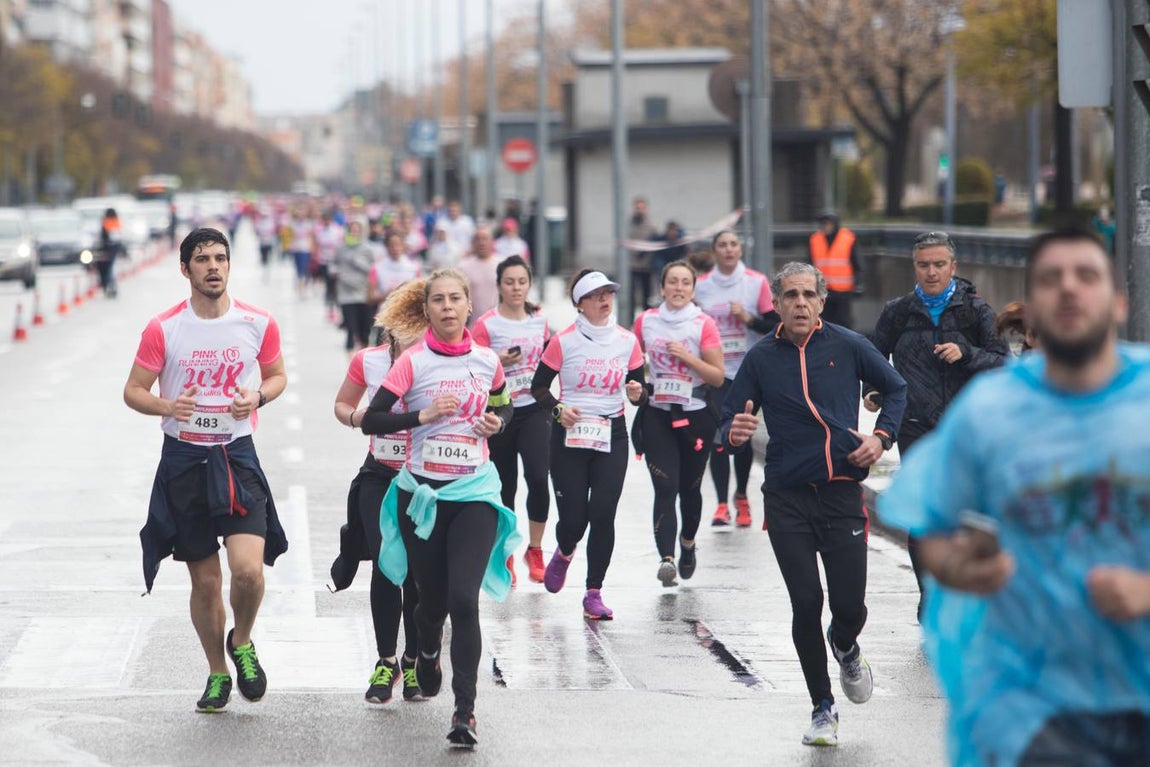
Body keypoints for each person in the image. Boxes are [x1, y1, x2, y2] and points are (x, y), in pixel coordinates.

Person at [880, 227, 1150, 767]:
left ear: (1118, 302)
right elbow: (930, 530)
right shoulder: (988, 413)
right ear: (1031, 308)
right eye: (1052, 279)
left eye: (1087, 275)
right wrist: (961, 568)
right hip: (1029, 699)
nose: (1069, 289)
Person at [720, 261, 906, 747]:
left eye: (808, 295)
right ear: (777, 305)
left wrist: (882, 437)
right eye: (790, 296)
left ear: (822, 301)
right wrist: (733, 433)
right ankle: (823, 708)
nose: (800, 303)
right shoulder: (761, 358)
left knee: (850, 607)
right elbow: (729, 417)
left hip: (843, 490)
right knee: (806, 601)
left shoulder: (848, 345)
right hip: (787, 496)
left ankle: (844, 644)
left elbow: (897, 388)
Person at [123, 227, 288, 713]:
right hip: (185, 461)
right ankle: (218, 671)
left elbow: (277, 375)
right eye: (202, 259)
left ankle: (243, 640)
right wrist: (166, 406)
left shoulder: (256, 323)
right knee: (206, 583)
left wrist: (257, 396)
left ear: (230, 265)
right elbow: (133, 390)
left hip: (236, 456)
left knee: (249, 572)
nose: (213, 266)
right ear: (185, 269)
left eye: (220, 257)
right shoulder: (164, 328)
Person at [361, 268, 520, 747]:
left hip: (474, 494)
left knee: (462, 601)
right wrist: (421, 415)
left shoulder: (488, 361)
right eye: (438, 301)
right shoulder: (411, 362)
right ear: (425, 310)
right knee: (430, 602)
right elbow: (372, 417)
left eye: (456, 299)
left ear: (469, 306)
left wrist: (498, 421)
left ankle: (464, 711)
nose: (448, 307)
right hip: (422, 496)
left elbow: (505, 405)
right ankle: (426, 649)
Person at [865, 231, 1007, 620]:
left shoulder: (975, 310)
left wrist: (966, 352)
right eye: (924, 265)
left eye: (939, 265)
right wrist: (874, 390)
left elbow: (1001, 359)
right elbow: (874, 357)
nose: (931, 272)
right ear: (915, 267)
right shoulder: (899, 311)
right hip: (914, 423)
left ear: (953, 267)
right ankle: (929, 593)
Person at [530, 270, 648, 620]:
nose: (605, 299)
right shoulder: (563, 342)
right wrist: (557, 410)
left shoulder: (627, 341)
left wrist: (637, 393)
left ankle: (593, 591)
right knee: (575, 520)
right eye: (596, 295)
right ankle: (565, 550)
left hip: (611, 433)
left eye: (609, 293)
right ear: (580, 303)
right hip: (570, 436)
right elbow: (538, 388)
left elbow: (639, 390)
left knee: (602, 514)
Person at [329, 284, 423, 705]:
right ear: (391, 326)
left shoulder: (440, 363)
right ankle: (385, 661)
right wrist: (356, 417)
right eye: (408, 323)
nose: (416, 333)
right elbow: (342, 404)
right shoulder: (366, 361)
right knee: (386, 566)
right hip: (379, 475)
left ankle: (414, 660)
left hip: (426, 480)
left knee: (419, 573)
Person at [633, 260, 725, 586]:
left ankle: (687, 543)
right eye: (672, 282)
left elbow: (717, 376)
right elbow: (631, 364)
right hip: (658, 412)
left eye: (685, 283)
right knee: (665, 486)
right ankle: (667, 559)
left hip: (696, 415)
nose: (678, 288)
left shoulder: (703, 324)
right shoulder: (646, 321)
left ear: (693, 289)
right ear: (662, 287)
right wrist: (635, 389)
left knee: (689, 489)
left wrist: (686, 357)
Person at [471, 256, 552, 583]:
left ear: (528, 284)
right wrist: (497, 361)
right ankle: (503, 551)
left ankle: (535, 549)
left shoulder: (539, 319)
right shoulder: (486, 324)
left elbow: (549, 361)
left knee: (537, 476)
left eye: (521, 282)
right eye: (509, 282)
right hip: (499, 412)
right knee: (505, 485)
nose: (516, 288)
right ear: (499, 286)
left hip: (534, 409)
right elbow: (472, 370)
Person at [695, 230, 778, 527]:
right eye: (722, 245)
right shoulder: (702, 286)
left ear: (740, 249)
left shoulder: (756, 282)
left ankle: (741, 496)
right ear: (715, 251)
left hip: (748, 370)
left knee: (741, 436)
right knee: (718, 436)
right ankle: (720, 503)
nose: (729, 249)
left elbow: (775, 325)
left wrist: (749, 319)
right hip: (717, 372)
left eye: (733, 244)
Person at [807, 211, 862, 329]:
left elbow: (857, 264)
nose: (825, 226)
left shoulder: (848, 238)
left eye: (828, 223)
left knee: (844, 323)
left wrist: (858, 284)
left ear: (835, 224)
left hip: (843, 291)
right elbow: (809, 265)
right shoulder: (815, 239)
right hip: (822, 290)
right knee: (823, 323)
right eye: (823, 224)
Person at [334, 220, 377, 356]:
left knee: (365, 331)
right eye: (352, 230)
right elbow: (333, 265)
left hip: (363, 294)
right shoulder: (341, 249)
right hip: (346, 295)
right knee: (350, 330)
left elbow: (374, 270)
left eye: (357, 230)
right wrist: (336, 272)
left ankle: (362, 360)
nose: (354, 233)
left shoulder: (368, 249)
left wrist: (359, 262)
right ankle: (351, 366)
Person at [457, 226, 500, 326]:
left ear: (492, 241)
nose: (481, 243)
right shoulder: (463, 266)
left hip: (499, 325)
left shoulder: (502, 264)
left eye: (485, 239)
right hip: (473, 326)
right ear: (473, 243)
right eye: (478, 239)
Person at [628, 196, 660, 316]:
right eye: (637, 207)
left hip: (646, 266)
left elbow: (656, 242)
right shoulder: (629, 224)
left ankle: (645, 319)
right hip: (631, 266)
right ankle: (628, 321)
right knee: (630, 296)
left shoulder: (651, 226)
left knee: (647, 297)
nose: (639, 210)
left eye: (642, 207)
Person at [96, 207, 124, 297]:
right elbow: (120, 236)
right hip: (115, 247)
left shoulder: (106, 222)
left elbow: (103, 236)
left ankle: (109, 284)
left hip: (107, 248)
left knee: (108, 267)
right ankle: (111, 285)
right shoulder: (117, 221)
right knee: (110, 267)